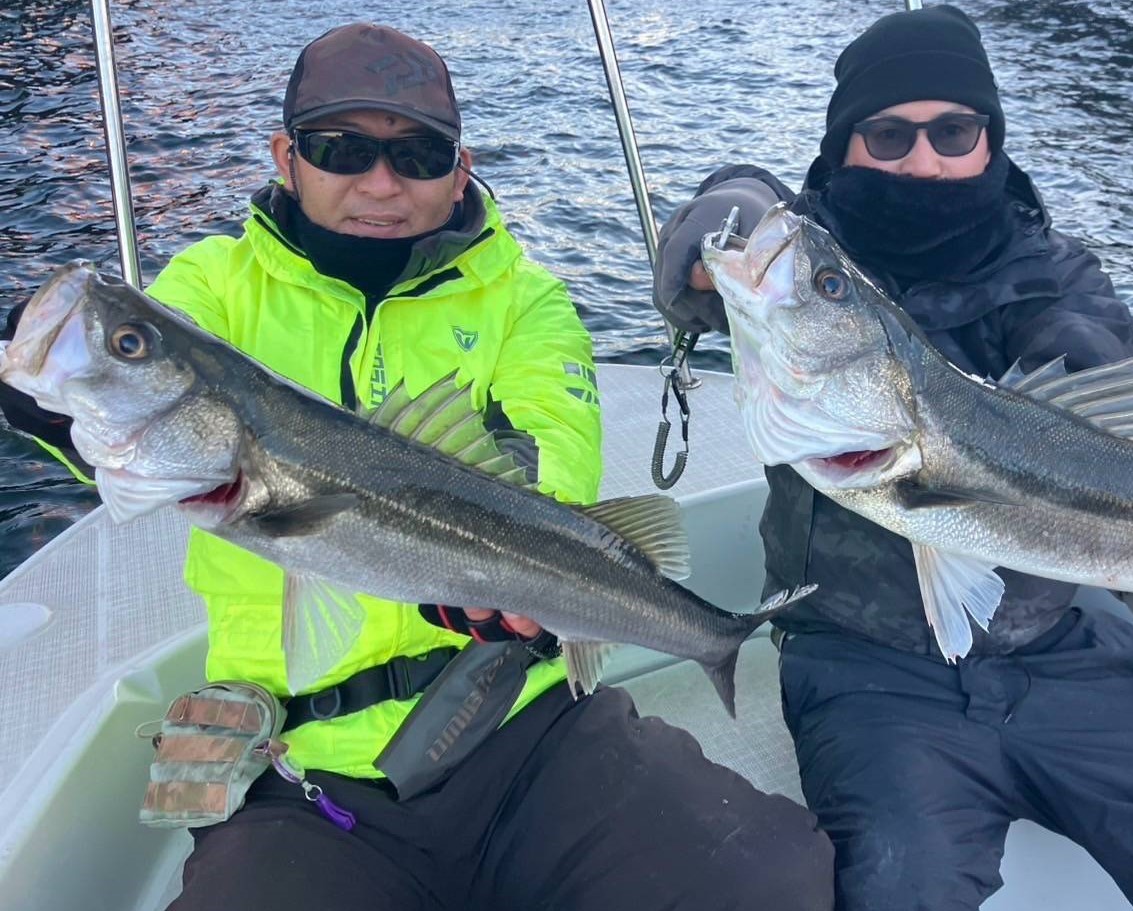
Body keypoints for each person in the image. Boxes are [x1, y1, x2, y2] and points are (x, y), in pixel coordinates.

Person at [0, 23, 833, 911]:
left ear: (461, 166)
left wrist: (489, 564)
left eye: (418, 153)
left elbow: (550, 453)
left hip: (522, 720)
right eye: (341, 148)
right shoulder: (208, 291)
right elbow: (110, 424)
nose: (381, 182)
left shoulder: (526, 300)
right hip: (300, 764)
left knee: (767, 881)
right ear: (287, 156)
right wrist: (43, 389)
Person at [652, 6, 1133, 911]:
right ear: (842, 148)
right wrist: (726, 215)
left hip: (1058, 655)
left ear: (991, 140)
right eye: (887, 133)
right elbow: (722, 230)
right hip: (862, 664)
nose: (924, 158)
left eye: (954, 131)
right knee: (899, 882)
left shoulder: (1058, 273)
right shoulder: (808, 245)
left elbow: (1109, 391)